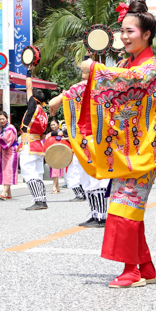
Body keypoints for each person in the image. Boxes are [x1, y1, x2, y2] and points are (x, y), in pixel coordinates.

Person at [66, 0, 156, 287]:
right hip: (128, 148)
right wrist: (64, 97)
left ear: (146, 34)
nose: (124, 37)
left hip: (144, 147)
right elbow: (100, 83)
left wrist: (96, 68)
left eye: (130, 31)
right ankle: (145, 268)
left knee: (124, 207)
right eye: (122, 31)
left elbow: (124, 80)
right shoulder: (127, 63)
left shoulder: (151, 67)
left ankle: (131, 272)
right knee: (130, 207)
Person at [49, 59, 110, 227]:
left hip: (89, 139)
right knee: (89, 180)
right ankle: (96, 214)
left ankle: (101, 216)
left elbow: (52, 103)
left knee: (93, 180)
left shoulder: (84, 87)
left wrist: (60, 97)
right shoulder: (104, 86)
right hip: (93, 140)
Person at [20, 68, 49, 211]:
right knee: (38, 174)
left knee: (28, 172)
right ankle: (42, 199)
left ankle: (38, 201)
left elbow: (28, 87)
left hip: (29, 145)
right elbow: (43, 133)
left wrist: (29, 73)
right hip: (38, 145)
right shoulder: (44, 113)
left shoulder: (33, 108)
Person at [0, 111, 18, 200]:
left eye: (3, 119)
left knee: (8, 171)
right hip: (4, 152)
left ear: (7, 118)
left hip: (11, 152)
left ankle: (4, 192)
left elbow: (6, 139)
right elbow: (0, 139)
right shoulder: (1, 129)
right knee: (5, 171)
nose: (1, 121)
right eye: (0, 119)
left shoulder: (10, 128)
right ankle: (9, 193)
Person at [46, 118, 65, 193]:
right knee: (54, 170)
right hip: (52, 153)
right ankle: (56, 186)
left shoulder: (61, 133)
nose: (52, 126)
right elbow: (45, 140)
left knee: (56, 170)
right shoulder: (49, 134)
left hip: (59, 153)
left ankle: (54, 185)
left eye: (54, 124)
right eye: (51, 125)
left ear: (58, 125)